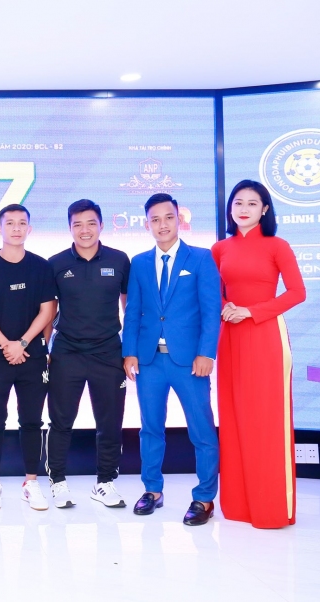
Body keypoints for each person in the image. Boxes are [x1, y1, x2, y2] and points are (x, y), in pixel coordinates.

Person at [122, 193, 221, 526]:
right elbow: (133, 310)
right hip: (149, 361)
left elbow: (211, 310)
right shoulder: (139, 263)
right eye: (155, 219)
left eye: (168, 217)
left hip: (190, 361)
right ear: (147, 224)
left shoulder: (201, 258)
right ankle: (152, 490)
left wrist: (207, 353)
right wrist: (129, 352)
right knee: (150, 428)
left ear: (180, 219)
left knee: (201, 430)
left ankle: (204, 497)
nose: (162, 225)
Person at [212, 180, 306, 529]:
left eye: (253, 203)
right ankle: (239, 506)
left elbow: (297, 292)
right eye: (238, 202)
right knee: (233, 416)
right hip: (229, 335)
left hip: (266, 335)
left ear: (265, 209)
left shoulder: (277, 246)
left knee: (266, 419)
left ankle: (271, 508)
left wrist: (251, 312)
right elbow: (213, 292)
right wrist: (227, 307)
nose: (244, 209)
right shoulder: (220, 249)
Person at [46, 199, 131, 509]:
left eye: (91, 223)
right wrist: (45, 349)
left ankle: (105, 482)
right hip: (67, 350)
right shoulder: (55, 263)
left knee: (110, 421)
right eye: (78, 224)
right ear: (70, 228)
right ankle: (58, 481)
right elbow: (48, 310)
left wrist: (130, 351)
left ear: (101, 225)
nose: (85, 230)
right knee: (61, 420)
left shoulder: (119, 260)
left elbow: (129, 308)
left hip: (108, 351)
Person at [0, 204, 57, 511]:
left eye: (22, 223)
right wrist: (7, 345)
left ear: (29, 229)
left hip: (32, 356)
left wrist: (22, 343)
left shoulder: (41, 266)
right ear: (0, 229)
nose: (16, 228)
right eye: (10, 223)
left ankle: (31, 482)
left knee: (32, 420)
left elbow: (48, 310)